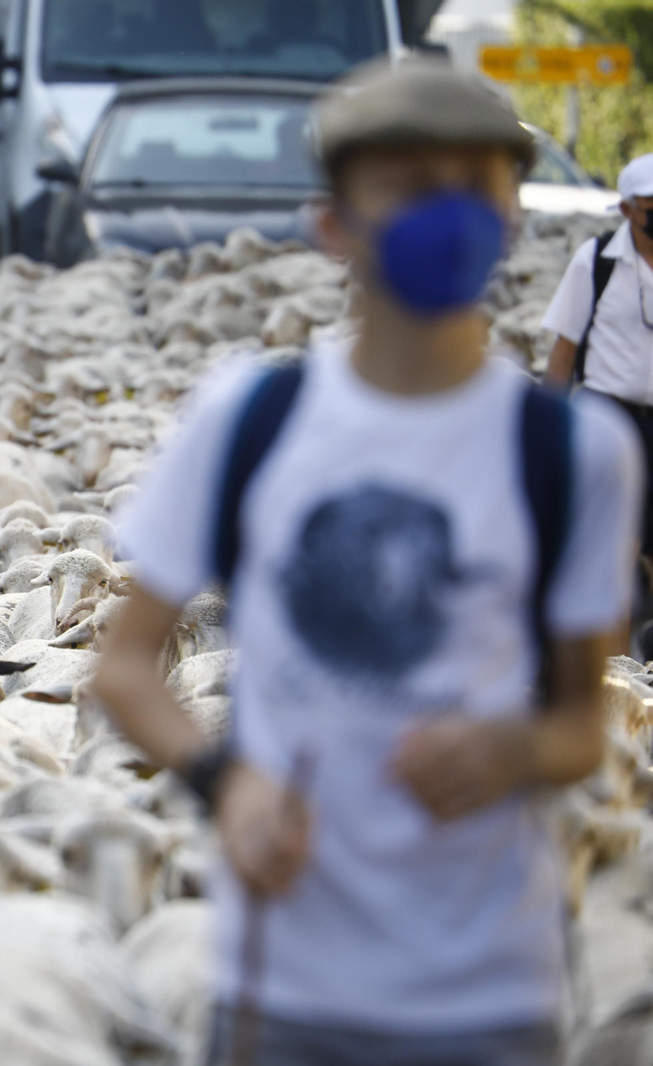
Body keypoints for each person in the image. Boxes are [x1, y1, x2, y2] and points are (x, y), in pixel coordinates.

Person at [93, 60, 640, 1066]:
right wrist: (227, 782)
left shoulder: (575, 453)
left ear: (512, 218)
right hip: (283, 984)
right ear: (333, 222)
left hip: (490, 994)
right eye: (408, 183)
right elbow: (125, 666)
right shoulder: (249, 420)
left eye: (474, 185)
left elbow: (578, 722)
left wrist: (512, 749)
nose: (448, 213)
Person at [543, 155, 653, 565]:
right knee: (612, 542)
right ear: (627, 209)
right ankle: (616, 627)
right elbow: (565, 348)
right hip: (608, 414)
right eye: (651, 206)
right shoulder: (596, 262)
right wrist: (548, 428)